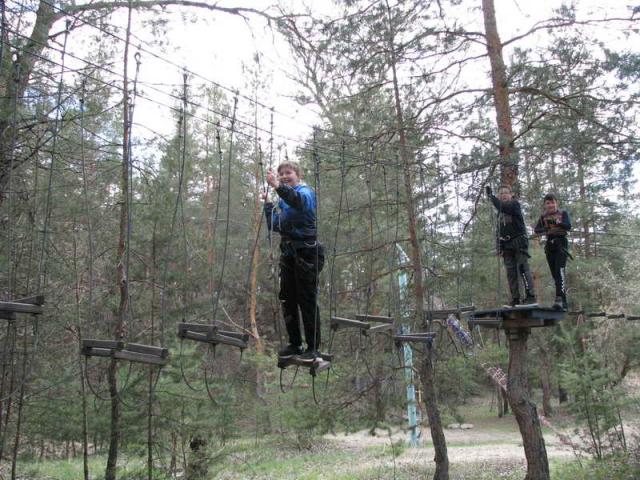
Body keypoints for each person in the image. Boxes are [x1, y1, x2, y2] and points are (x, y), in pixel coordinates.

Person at [263, 161, 324, 360]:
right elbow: (276, 225)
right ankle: (295, 344)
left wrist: (278, 187)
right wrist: (268, 206)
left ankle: (313, 347)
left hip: (306, 254)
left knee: (306, 300)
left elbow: (299, 202)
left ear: (297, 175)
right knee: (288, 300)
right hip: (289, 254)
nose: (284, 176)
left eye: (288, 173)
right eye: (281, 174)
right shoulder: (285, 201)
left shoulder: (305, 193)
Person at [486, 184, 536, 307]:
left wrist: (491, 197)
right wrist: (499, 246)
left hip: (519, 241)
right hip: (507, 245)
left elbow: (501, 206)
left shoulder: (514, 205)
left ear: (511, 194)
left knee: (523, 268)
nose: (503, 195)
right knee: (511, 272)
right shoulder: (500, 214)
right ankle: (515, 298)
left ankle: (530, 296)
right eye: (501, 193)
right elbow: (499, 230)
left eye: (505, 192)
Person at [534, 193, 572, 310]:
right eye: (548, 203)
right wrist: (545, 228)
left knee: (560, 271)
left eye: (552, 202)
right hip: (550, 245)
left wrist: (557, 223)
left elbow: (568, 226)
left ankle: (559, 300)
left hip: (561, 243)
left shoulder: (562, 213)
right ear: (545, 205)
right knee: (555, 274)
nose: (550, 205)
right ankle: (563, 302)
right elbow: (537, 230)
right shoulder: (543, 217)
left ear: (556, 203)